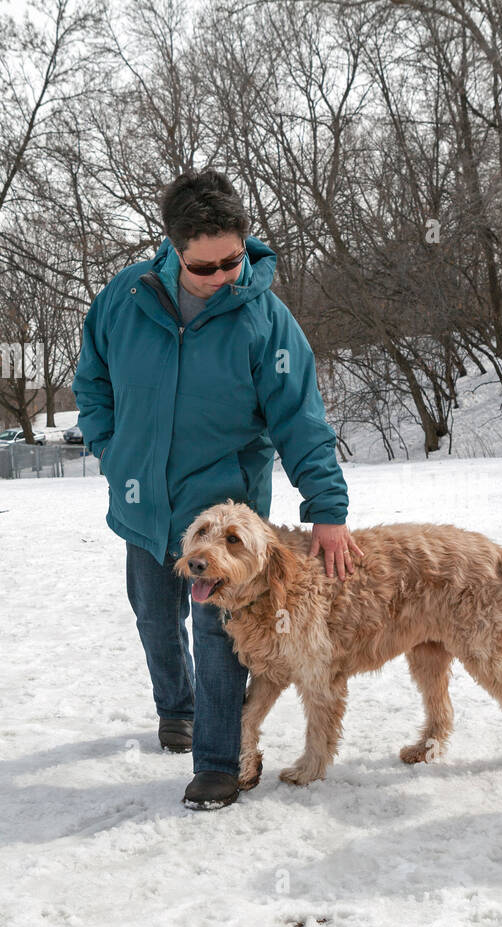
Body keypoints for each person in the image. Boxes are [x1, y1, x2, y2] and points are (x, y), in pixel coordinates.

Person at [73, 170, 363, 811]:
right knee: (155, 618)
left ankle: (218, 760)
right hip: (144, 504)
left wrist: (328, 510)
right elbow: (91, 377)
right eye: (205, 267)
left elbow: (301, 420)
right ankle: (175, 709)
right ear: (174, 249)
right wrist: (109, 443)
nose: (223, 275)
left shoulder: (266, 318)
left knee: (218, 637)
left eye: (233, 259)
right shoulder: (126, 297)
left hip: (223, 514)